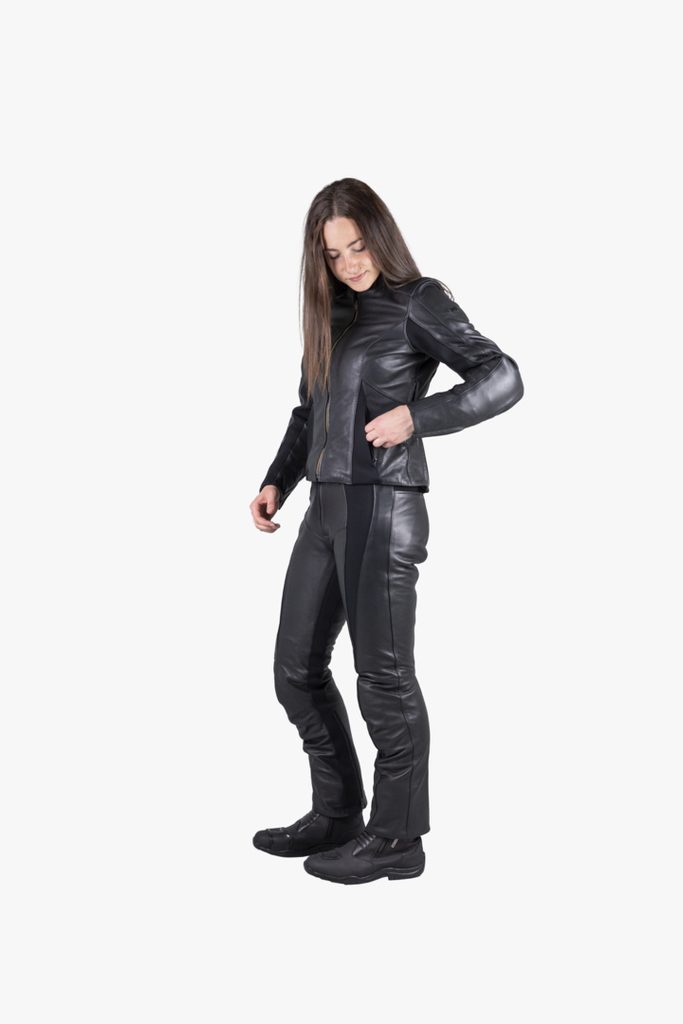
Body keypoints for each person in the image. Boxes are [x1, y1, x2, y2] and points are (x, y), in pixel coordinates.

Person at [249, 178, 525, 885]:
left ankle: (398, 836)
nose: (349, 264)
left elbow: (502, 376)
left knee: (383, 677)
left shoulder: (417, 301)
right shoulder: (332, 316)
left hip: (383, 505)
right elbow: (309, 411)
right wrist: (277, 479)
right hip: (325, 508)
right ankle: (338, 813)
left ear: (380, 235)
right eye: (333, 254)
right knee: (294, 672)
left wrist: (417, 417)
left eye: (357, 246)